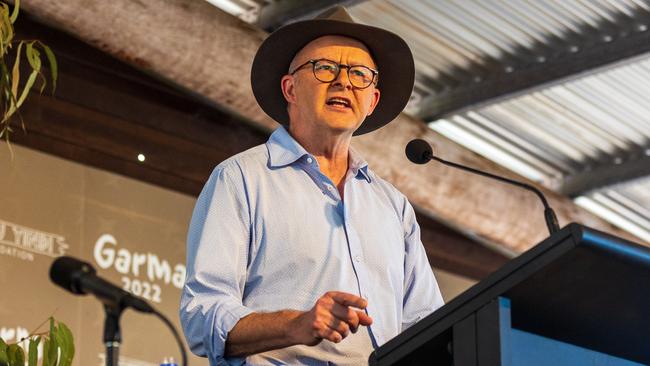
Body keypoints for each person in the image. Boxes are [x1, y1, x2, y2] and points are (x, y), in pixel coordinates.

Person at [180, 6, 444, 365]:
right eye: (325, 68)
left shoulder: (393, 206)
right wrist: (296, 324)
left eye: (360, 74)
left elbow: (429, 325)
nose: (344, 81)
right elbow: (202, 316)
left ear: (372, 101)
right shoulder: (241, 179)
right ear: (289, 87)